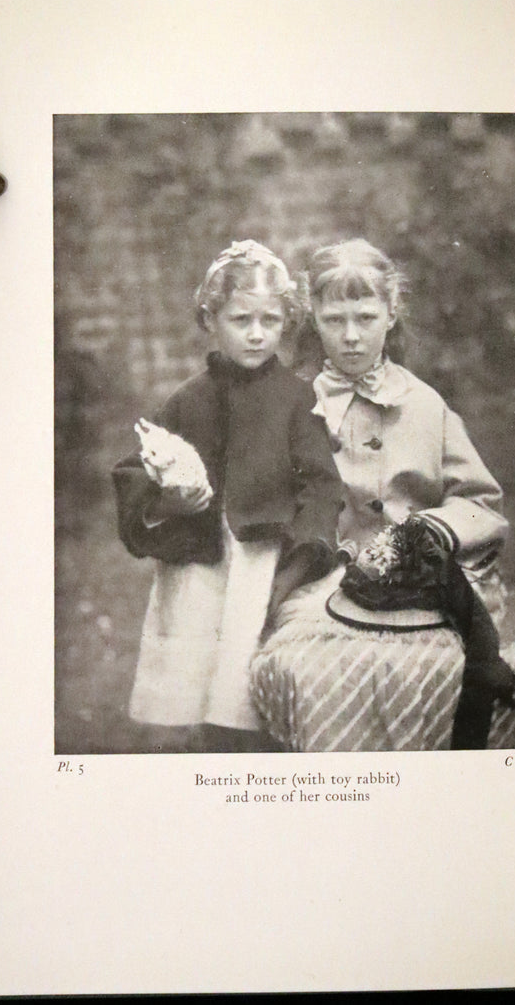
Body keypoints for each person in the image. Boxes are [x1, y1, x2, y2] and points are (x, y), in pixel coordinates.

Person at [251, 239, 515, 751]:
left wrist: (437, 529)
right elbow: (266, 505)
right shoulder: (292, 407)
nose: (352, 336)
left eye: (365, 316)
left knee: (458, 669)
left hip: (426, 582)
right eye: (335, 319)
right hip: (326, 582)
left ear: (391, 312)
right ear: (312, 316)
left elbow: (480, 502)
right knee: (315, 672)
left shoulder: (425, 405)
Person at [112, 240, 344, 753]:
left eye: (271, 320)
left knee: (247, 687)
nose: (258, 333)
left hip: (261, 564)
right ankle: (204, 763)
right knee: (195, 687)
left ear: (286, 321)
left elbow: (322, 484)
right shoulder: (189, 398)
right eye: (242, 319)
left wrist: (302, 554)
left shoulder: (295, 398)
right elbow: (136, 471)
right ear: (210, 319)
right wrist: (168, 500)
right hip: (198, 564)